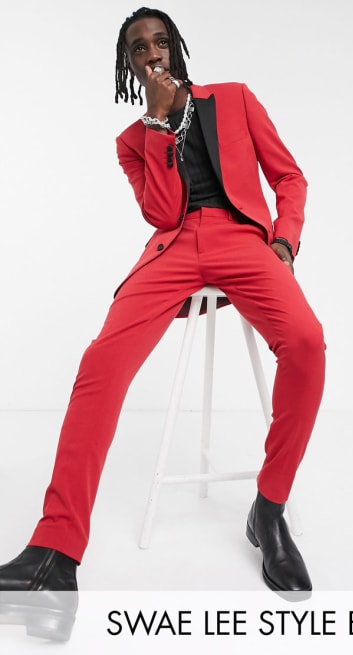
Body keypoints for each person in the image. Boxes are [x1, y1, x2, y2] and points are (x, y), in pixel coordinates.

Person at [0, 6, 325, 640]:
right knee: (100, 364)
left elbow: (289, 176)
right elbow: (163, 211)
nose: (151, 52)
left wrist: (284, 242)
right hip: (173, 248)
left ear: (176, 46)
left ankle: (269, 509)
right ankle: (55, 555)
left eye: (159, 41)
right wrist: (157, 121)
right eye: (138, 48)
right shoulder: (131, 140)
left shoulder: (235, 99)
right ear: (129, 65)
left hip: (243, 241)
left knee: (307, 343)